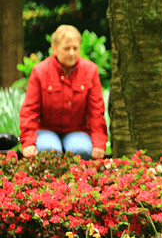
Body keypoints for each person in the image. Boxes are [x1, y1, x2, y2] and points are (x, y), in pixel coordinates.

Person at [19, 24, 108, 160]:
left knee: (82, 151)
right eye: (66, 48)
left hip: (77, 131)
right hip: (46, 131)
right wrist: (28, 142)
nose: (72, 53)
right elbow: (29, 110)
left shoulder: (90, 71)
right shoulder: (40, 72)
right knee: (49, 151)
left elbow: (96, 112)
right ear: (54, 49)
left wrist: (99, 144)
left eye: (75, 48)